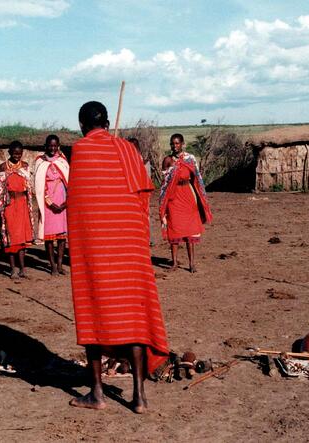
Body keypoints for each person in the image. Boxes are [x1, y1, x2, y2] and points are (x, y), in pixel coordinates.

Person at [67, 101, 169, 414]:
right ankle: (139, 397)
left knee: (93, 310)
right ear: (108, 122)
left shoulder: (81, 152)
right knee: (133, 317)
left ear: (83, 125)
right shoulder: (127, 150)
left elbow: (79, 206)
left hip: (95, 249)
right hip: (128, 247)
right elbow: (142, 196)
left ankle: (97, 392)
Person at [160, 133, 212, 272]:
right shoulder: (167, 160)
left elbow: (197, 178)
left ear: (183, 144)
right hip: (174, 197)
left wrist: (201, 198)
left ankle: (191, 264)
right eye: (172, 143)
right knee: (174, 229)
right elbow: (164, 183)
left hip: (188, 195)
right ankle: (175, 263)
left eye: (177, 143)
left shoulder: (190, 158)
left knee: (190, 230)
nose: (174, 146)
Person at [0, 141, 35, 279]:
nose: (17, 156)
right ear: (9, 152)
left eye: (19, 153)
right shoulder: (3, 167)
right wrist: (1, 207)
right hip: (9, 204)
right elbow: (0, 189)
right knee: (11, 237)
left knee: (22, 238)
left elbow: (28, 185)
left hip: (22, 203)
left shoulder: (24, 166)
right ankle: (13, 269)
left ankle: (22, 269)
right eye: (14, 153)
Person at [33, 134, 69, 276]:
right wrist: (50, 203)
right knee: (49, 237)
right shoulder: (39, 162)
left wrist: (65, 203)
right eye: (50, 146)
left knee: (61, 237)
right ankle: (52, 265)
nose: (52, 148)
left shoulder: (62, 160)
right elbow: (38, 185)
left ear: (58, 146)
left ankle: (60, 265)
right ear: (45, 146)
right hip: (47, 202)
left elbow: (68, 180)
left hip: (62, 199)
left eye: (55, 146)